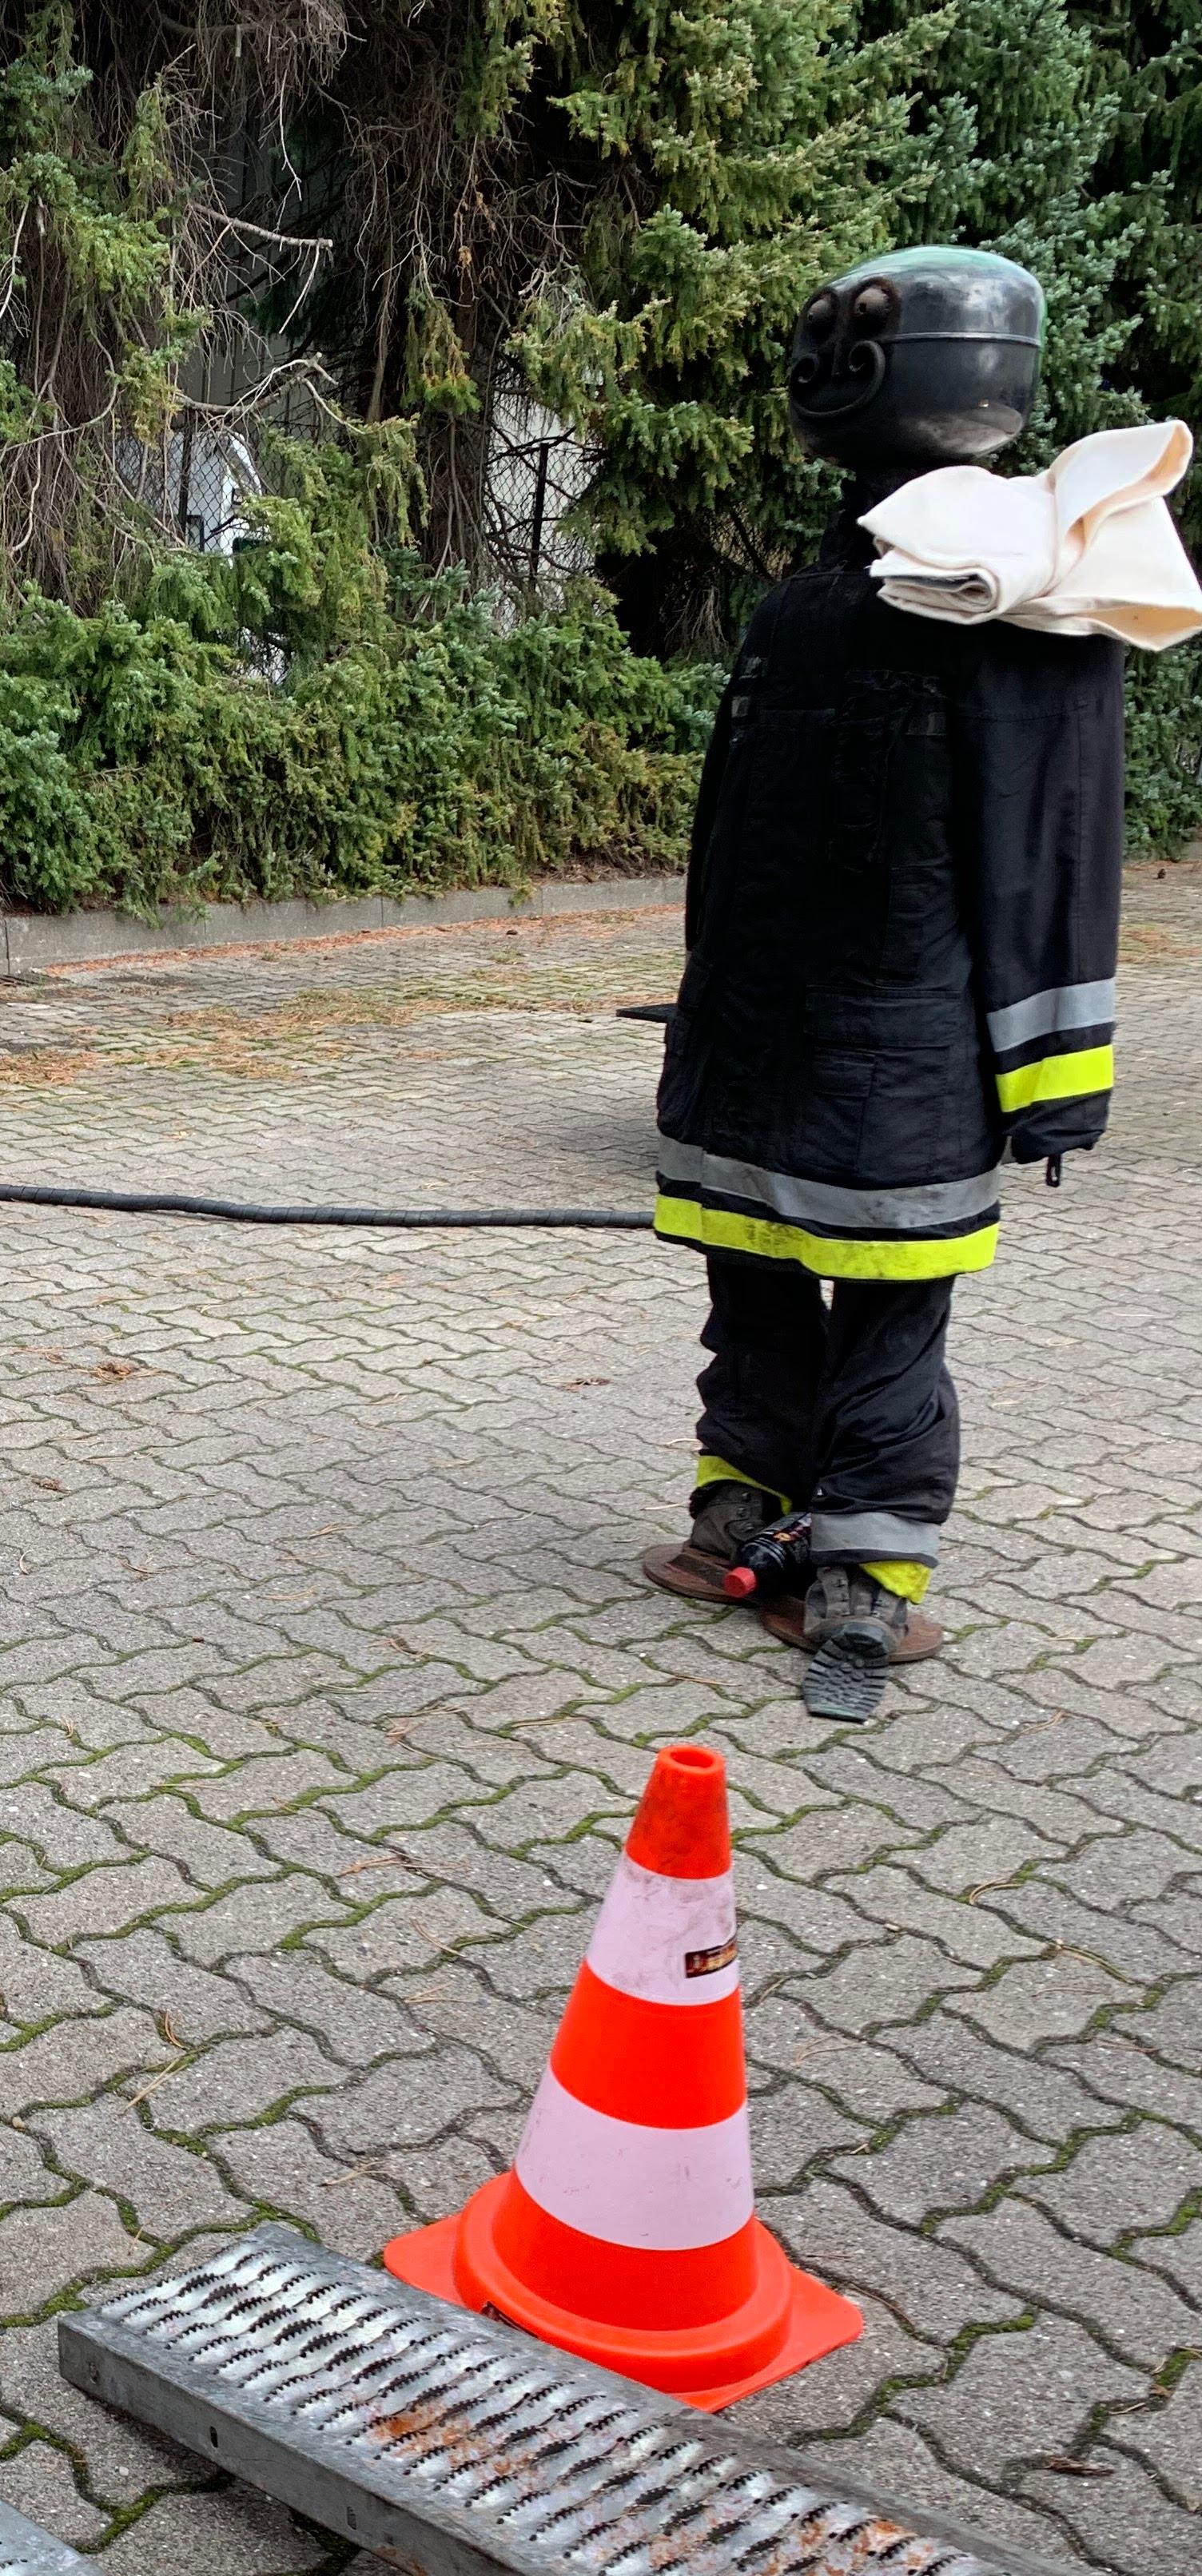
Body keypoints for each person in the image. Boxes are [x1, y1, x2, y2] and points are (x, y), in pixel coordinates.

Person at [640, 249, 1123, 1719]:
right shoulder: (802, 604)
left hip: (901, 1042)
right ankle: (746, 1514)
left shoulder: (1027, 611)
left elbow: (1047, 857)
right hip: (760, 1032)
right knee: (759, 1281)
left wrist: (1054, 1078)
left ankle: (868, 1573)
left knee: (890, 1316)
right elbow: (728, 833)